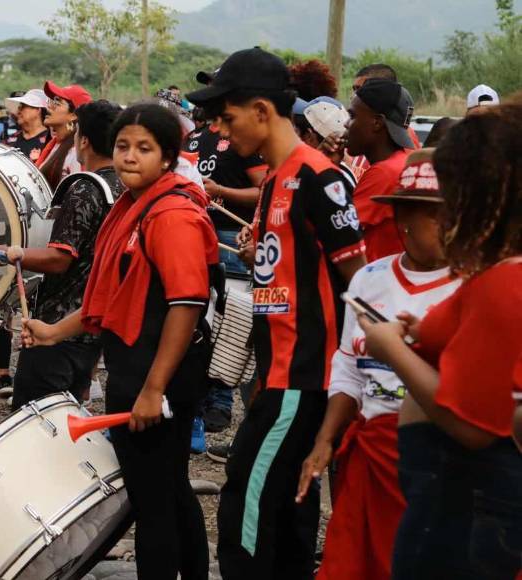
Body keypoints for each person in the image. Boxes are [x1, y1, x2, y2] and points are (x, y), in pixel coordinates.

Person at [186, 47, 367, 579]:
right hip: (277, 374)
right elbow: (289, 273)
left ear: (262, 111)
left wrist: (353, 382)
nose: (220, 130)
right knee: (290, 509)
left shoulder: (318, 177)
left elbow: (360, 281)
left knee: (246, 504)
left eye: (227, 117)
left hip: (304, 378)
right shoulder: (274, 179)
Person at [23, 102, 216, 579]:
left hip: (159, 370)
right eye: (124, 146)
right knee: (168, 488)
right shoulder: (132, 207)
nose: (130, 156)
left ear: (168, 157)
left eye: (144, 148)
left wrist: (154, 388)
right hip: (138, 364)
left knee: (152, 499)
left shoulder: (170, 215)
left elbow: (186, 304)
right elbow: (112, 297)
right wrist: (54, 331)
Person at [359, 102, 522, 580]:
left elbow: (472, 425)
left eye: (451, 198)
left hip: (464, 499)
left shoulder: (503, 283)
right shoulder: (496, 272)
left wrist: (391, 349)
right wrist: (424, 334)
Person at [295, 148, 460, 580]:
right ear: (402, 217)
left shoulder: (473, 285)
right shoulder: (370, 280)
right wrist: (325, 439)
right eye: (435, 215)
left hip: (438, 462)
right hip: (372, 456)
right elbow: (349, 366)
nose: (451, 226)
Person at [0, 100, 124, 408]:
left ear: (84, 141)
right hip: (92, 324)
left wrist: (6, 252)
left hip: (57, 328)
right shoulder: (121, 186)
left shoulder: (85, 189)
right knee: (68, 414)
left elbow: (59, 259)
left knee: (36, 416)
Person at [184, 67, 267, 438]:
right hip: (197, 237)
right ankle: (199, 405)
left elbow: (263, 190)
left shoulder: (243, 141)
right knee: (200, 320)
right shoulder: (194, 139)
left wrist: (220, 191)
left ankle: (220, 403)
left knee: (228, 322)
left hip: (234, 238)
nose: (208, 97)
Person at [346, 78, 414, 262]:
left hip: (376, 276)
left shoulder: (383, 174)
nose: (346, 124)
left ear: (377, 123)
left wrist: (326, 168)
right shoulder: (405, 160)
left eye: (352, 116)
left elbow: (336, 234)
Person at [36, 80, 91, 189]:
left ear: (73, 115)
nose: (48, 107)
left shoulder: (77, 153)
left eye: (57, 103)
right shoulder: (54, 144)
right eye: (51, 101)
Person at [4, 88, 49, 162]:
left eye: (23, 107)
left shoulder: (49, 141)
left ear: (37, 110)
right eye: (19, 108)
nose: (18, 111)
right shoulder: (11, 139)